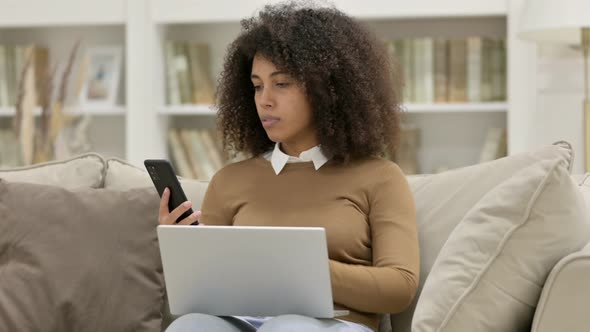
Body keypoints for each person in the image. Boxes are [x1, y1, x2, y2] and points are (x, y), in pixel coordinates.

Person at [159, 1, 419, 331]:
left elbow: (400, 287)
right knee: (191, 326)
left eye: (281, 84)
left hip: (333, 324)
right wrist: (183, 253)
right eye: (256, 85)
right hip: (243, 322)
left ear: (328, 89)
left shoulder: (380, 177)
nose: (265, 99)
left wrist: (304, 270)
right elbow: (206, 293)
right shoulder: (229, 181)